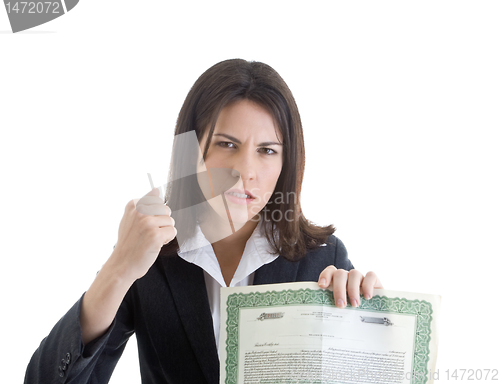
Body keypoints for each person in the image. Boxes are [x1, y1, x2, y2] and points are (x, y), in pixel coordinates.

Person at [24, 59, 383, 384]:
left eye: (267, 150)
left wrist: (367, 321)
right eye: (227, 144)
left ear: (286, 163)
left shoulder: (323, 258)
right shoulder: (150, 258)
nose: (245, 171)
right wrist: (119, 267)